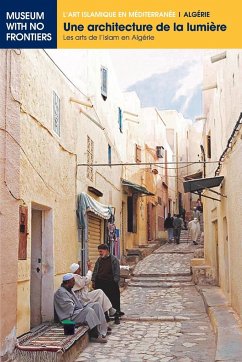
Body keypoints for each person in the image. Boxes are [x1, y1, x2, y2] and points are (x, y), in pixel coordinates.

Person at [54, 273, 108, 343]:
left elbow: (77, 302)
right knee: (89, 311)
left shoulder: (69, 290)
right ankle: (95, 335)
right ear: (67, 282)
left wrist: (85, 304)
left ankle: (102, 331)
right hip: (69, 316)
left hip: (76, 310)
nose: (74, 283)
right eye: (73, 281)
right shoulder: (61, 292)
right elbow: (68, 308)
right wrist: (80, 307)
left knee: (96, 305)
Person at [92, 244, 123, 325]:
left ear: (106, 250)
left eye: (101, 251)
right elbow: (95, 270)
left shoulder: (114, 259)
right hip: (100, 283)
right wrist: (93, 280)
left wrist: (115, 281)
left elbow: (117, 271)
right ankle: (105, 316)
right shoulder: (99, 260)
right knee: (102, 301)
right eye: (99, 251)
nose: (100, 253)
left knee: (114, 300)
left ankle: (116, 316)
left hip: (111, 283)